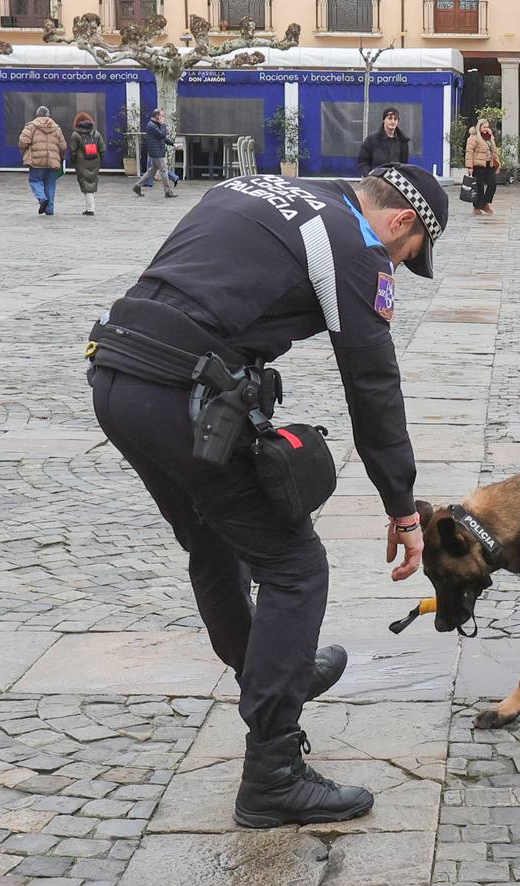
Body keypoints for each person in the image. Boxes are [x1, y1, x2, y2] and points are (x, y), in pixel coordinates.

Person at [85, 163, 448, 828]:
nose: (395, 266)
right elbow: (371, 380)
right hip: (177, 394)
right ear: (400, 223)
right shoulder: (355, 243)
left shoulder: (252, 186)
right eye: (406, 256)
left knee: (215, 536)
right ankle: (274, 774)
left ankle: (271, 667)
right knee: (296, 567)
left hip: (115, 374)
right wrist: (402, 505)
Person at [19, 106, 67, 216]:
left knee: (35, 181)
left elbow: (22, 141)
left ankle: (42, 199)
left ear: (37, 115)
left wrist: (24, 151)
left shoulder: (31, 127)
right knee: (50, 185)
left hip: (36, 160)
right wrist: (61, 157)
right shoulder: (57, 128)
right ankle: (49, 210)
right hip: (52, 161)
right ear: (48, 115)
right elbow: (63, 146)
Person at [133, 108, 176, 199]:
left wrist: (172, 144)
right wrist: (164, 125)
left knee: (151, 171)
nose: (163, 118)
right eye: (162, 116)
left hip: (156, 151)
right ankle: (167, 191)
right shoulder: (152, 126)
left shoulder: (155, 125)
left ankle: (137, 186)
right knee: (164, 170)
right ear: (157, 116)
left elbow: (162, 138)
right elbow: (162, 135)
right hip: (156, 152)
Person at [70, 112, 106, 217]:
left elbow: (73, 151)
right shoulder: (96, 134)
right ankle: (90, 207)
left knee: (85, 184)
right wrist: (100, 160)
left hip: (81, 162)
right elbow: (102, 149)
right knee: (91, 182)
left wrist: (74, 161)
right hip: (95, 160)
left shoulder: (75, 135)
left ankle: (90, 208)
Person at [357, 108, 410, 174]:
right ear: (384, 120)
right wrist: (369, 174)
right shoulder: (371, 139)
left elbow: (403, 166)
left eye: (395, 119)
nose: (393, 121)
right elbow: (362, 161)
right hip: (375, 180)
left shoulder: (403, 141)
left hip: (394, 181)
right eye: (390, 118)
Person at [465, 118, 500, 216]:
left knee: (493, 183)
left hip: (490, 164)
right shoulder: (474, 137)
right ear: (479, 127)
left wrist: (498, 164)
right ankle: (477, 207)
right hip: (478, 164)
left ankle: (485, 203)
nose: (486, 129)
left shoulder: (489, 137)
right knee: (479, 186)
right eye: (484, 127)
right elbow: (469, 152)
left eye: (487, 127)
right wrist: (469, 167)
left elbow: (494, 151)